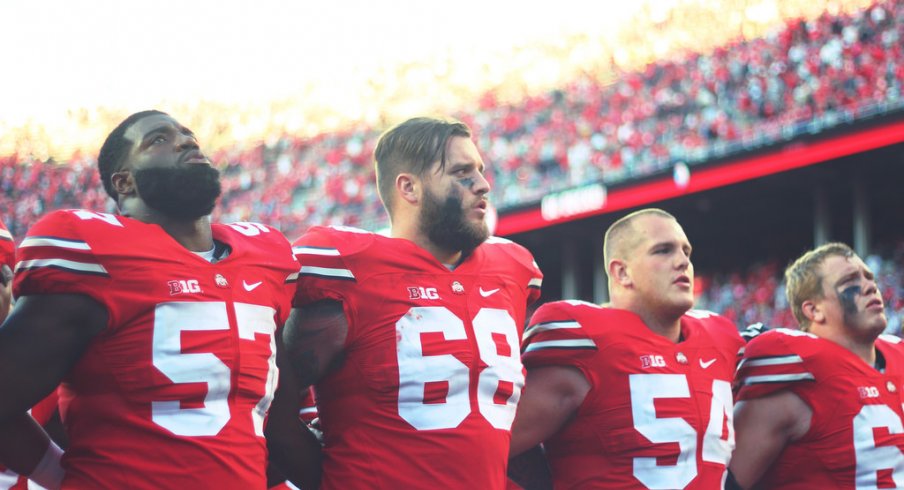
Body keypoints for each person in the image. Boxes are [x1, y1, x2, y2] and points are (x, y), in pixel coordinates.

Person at [0, 110, 319, 489]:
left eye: (189, 135)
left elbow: (279, 427)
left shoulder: (265, 257)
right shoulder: (95, 253)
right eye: (158, 140)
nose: (186, 141)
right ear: (124, 183)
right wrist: (57, 474)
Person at [272, 117, 543, 489]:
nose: (483, 184)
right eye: (462, 172)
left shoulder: (512, 270)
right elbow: (270, 400)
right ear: (409, 188)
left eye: (480, 170)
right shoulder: (349, 269)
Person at [509, 208, 743, 489]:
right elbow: (493, 447)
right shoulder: (586, 340)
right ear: (622, 272)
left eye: (686, 252)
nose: (682, 262)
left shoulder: (722, 338)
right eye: (663, 251)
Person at [731, 242, 904, 488]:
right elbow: (725, 481)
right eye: (850, 281)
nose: (870, 287)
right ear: (814, 310)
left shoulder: (898, 355)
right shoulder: (796, 368)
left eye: (870, 277)